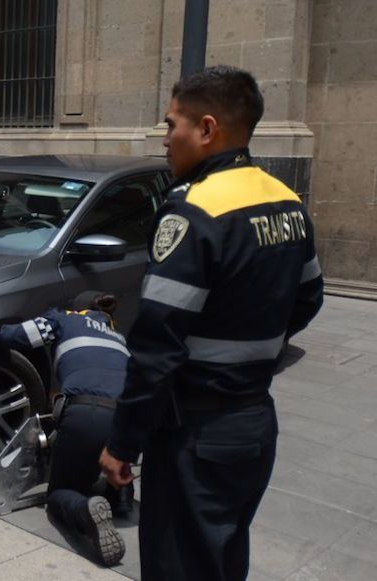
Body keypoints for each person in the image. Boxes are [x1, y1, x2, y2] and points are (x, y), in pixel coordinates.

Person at [98, 65, 324, 581]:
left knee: (179, 564)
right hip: (253, 424)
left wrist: (122, 443)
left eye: (171, 124)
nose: (165, 139)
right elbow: (310, 296)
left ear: (206, 129)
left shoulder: (193, 212)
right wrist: (256, 344)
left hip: (194, 435)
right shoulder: (286, 201)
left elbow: (157, 345)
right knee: (222, 559)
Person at [0, 291, 129, 567]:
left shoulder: (63, 319)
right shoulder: (120, 339)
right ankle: (119, 497)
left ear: (77, 309)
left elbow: (13, 336)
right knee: (111, 460)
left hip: (86, 412)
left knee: (59, 494)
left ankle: (83, 507)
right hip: (127, 419)